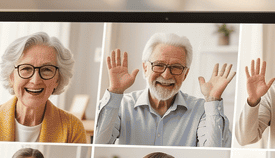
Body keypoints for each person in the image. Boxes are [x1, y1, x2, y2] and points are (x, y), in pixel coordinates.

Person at [94, 32, 235, 147]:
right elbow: (99, 145)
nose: (166, 75)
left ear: (185, 74)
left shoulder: (201, 109)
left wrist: (212, 100)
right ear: (145, 68)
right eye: (159, 65)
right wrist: (115, 92)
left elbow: (212, 154)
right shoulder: (122, 104)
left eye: (176, 67)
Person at [0, 32, 87, 143]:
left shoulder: (73, 128)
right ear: (11, 77)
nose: (35, 80)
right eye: (26, 68)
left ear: (58, 79)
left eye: (47, 70)